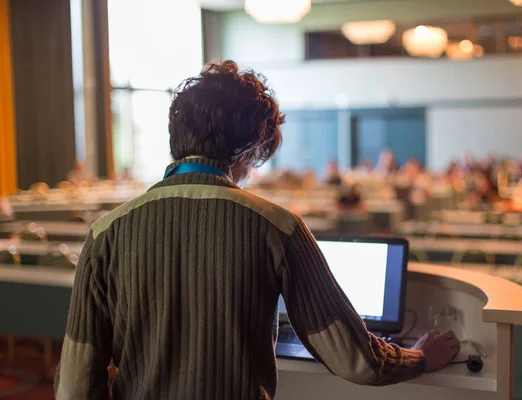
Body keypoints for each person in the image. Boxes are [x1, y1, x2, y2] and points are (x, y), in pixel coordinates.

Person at [54, 61, 459, 400]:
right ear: (249, 148)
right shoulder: (277, 226)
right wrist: (419, 356)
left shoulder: (105, 233)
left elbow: (74, 384)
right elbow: (354, 358)